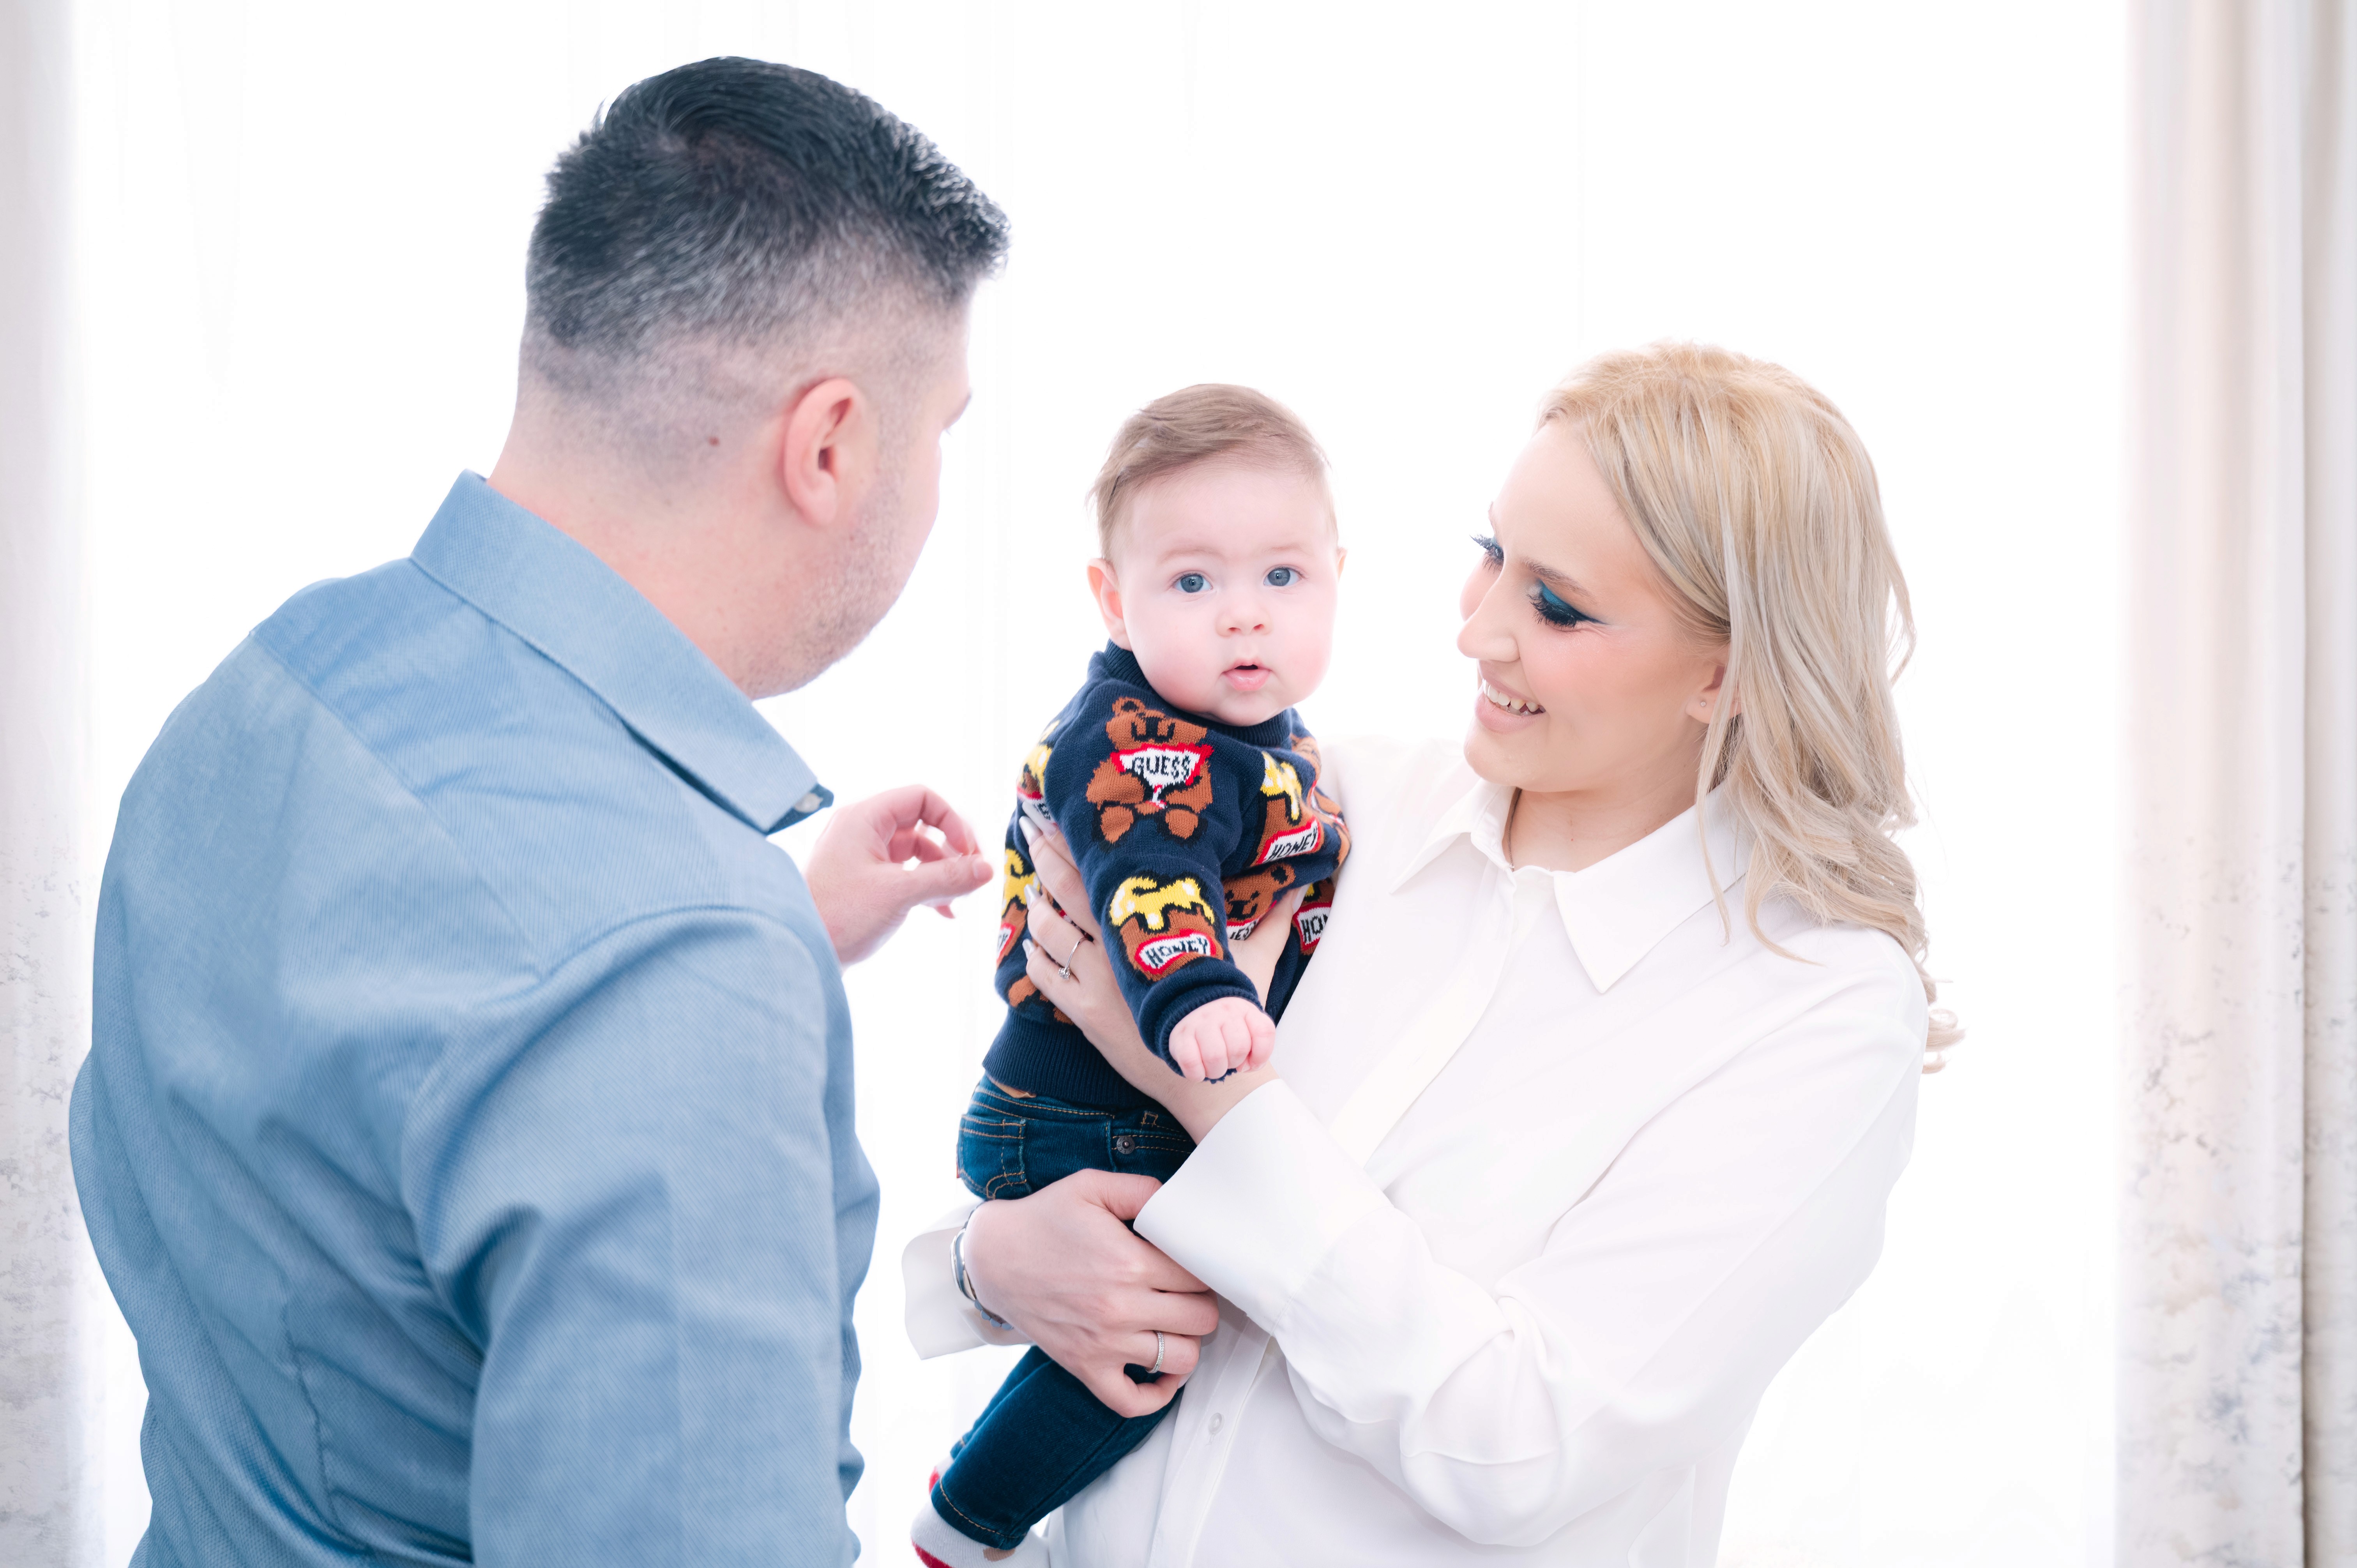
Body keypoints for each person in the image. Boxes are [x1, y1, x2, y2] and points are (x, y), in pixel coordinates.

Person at [71, 58, 1004, 1567]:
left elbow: (382, 1093)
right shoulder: (673, 960)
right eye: (943, 428)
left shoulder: (273, 686)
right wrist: (720, 958)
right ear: (830, 444)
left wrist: (776, 924)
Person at [906, 343, 1957, 1566]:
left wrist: (1217, 1097)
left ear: (1723, 671)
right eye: (1492, 553)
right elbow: (1077, 1121)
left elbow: (1518, 1454)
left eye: (1556, 605)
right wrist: (991, 1266)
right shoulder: (1329, 809)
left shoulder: (1812, 1012)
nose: (1478, 632)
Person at [915, 385, 1348, 1568]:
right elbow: (1145, 880)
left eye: (1283, 579)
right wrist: (1196, 996)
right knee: (1149, 1347)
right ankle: (967, 1524)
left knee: (1146, 1332)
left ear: (1337, 576)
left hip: (1112, 1107)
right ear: (1115, 599)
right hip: (1070, 1109)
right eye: (1194, 584)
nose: (1243, 619)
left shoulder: (1273, 738)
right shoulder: (1137, 739)